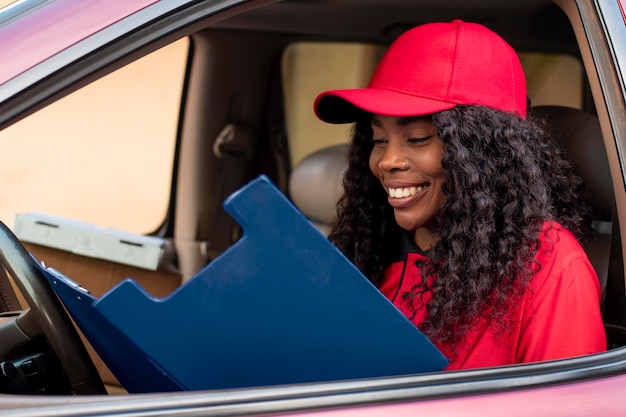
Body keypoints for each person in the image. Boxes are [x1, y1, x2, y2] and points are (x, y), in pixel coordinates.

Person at [313, 20, 606, 370]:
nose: (388, 161)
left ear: (485, 151)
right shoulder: (366, 249)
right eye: (378, 140)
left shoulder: (547, 267)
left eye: (418, 139)